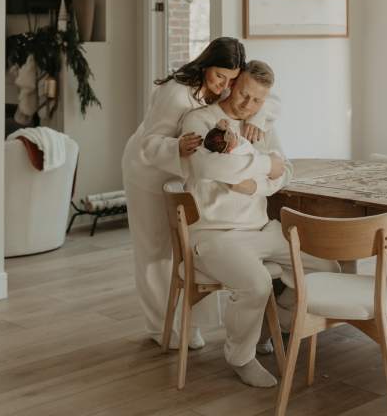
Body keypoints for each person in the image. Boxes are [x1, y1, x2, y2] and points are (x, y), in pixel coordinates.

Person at [181, 60, 340, 388]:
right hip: (213, 234)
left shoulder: (260, 125)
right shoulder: (198, 120)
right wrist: (266, 164)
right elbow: (212, 169)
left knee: (327, 267)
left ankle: (275, 324)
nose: (247, 105)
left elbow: (287, 172)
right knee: (255, 284)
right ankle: (240, 356)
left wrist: (257, 185)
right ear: (231, 85)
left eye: (256, 100)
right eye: (243, 95)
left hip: (258, 229)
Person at [121, 38, 284, 350]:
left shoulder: (227, 86)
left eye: (231, 79)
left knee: (188, 245)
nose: (225, 84)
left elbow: (270, 99)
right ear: (207, 64)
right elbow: (149, 142)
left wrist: (256, 119)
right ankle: (162, 328)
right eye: (220, 76)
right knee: (156, 251)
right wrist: (175, 147)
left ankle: (193, 323)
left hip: (186, 169)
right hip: (149, 168)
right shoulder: (175, 93)